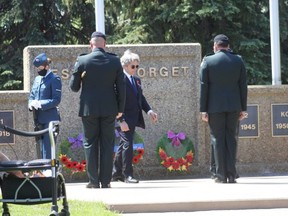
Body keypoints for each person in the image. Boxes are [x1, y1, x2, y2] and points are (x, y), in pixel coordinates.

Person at [69, 31, 126, 189]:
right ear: (105, 44)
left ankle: (93, 181)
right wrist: (120, 109)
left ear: (90, 44)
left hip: (89, 110)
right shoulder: (115, 61)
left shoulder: (82, 60)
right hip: (110, 109)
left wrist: (80, 76)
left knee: (90, 143)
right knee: (107, 144)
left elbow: (73, 87)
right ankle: (106, 181)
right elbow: (121, 87)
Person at [199, 34, 247, 183]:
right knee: (231, 139)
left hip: (214, 107)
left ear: (215, 46)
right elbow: (243, 87)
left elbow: (203, 87)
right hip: (234, 106)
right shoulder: (238, 60)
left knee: (217, 139)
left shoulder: (208, 61)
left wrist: (203, 110)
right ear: (228, 46)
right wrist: (243, 108)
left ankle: (220, 175)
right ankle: (231, 175)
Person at [112, 50, 158, 184]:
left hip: (133, 117)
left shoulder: (136, 80)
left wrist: (149, 111)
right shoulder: (119, 80)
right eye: (133, 66)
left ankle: (116, 173)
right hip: (124, 118)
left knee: (123, 144)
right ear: (125, 66)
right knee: (127, 144)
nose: (136, 69)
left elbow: (140, 98)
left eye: (137, 66)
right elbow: (116, 101)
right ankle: (128, 175)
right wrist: (121, 120)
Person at [29, 53, 62, 159]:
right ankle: (41, 171)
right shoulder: (37, 79)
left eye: (40, 68)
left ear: (47, 66)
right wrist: (31, 104)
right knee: (39, 149)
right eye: (37, 68)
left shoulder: (54, 79)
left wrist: (40, 104)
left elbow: (56, 100)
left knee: (48, 150)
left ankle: (48, 173)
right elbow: (32, 95)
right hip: (38, 119)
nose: (38, 70)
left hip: (50, 119)